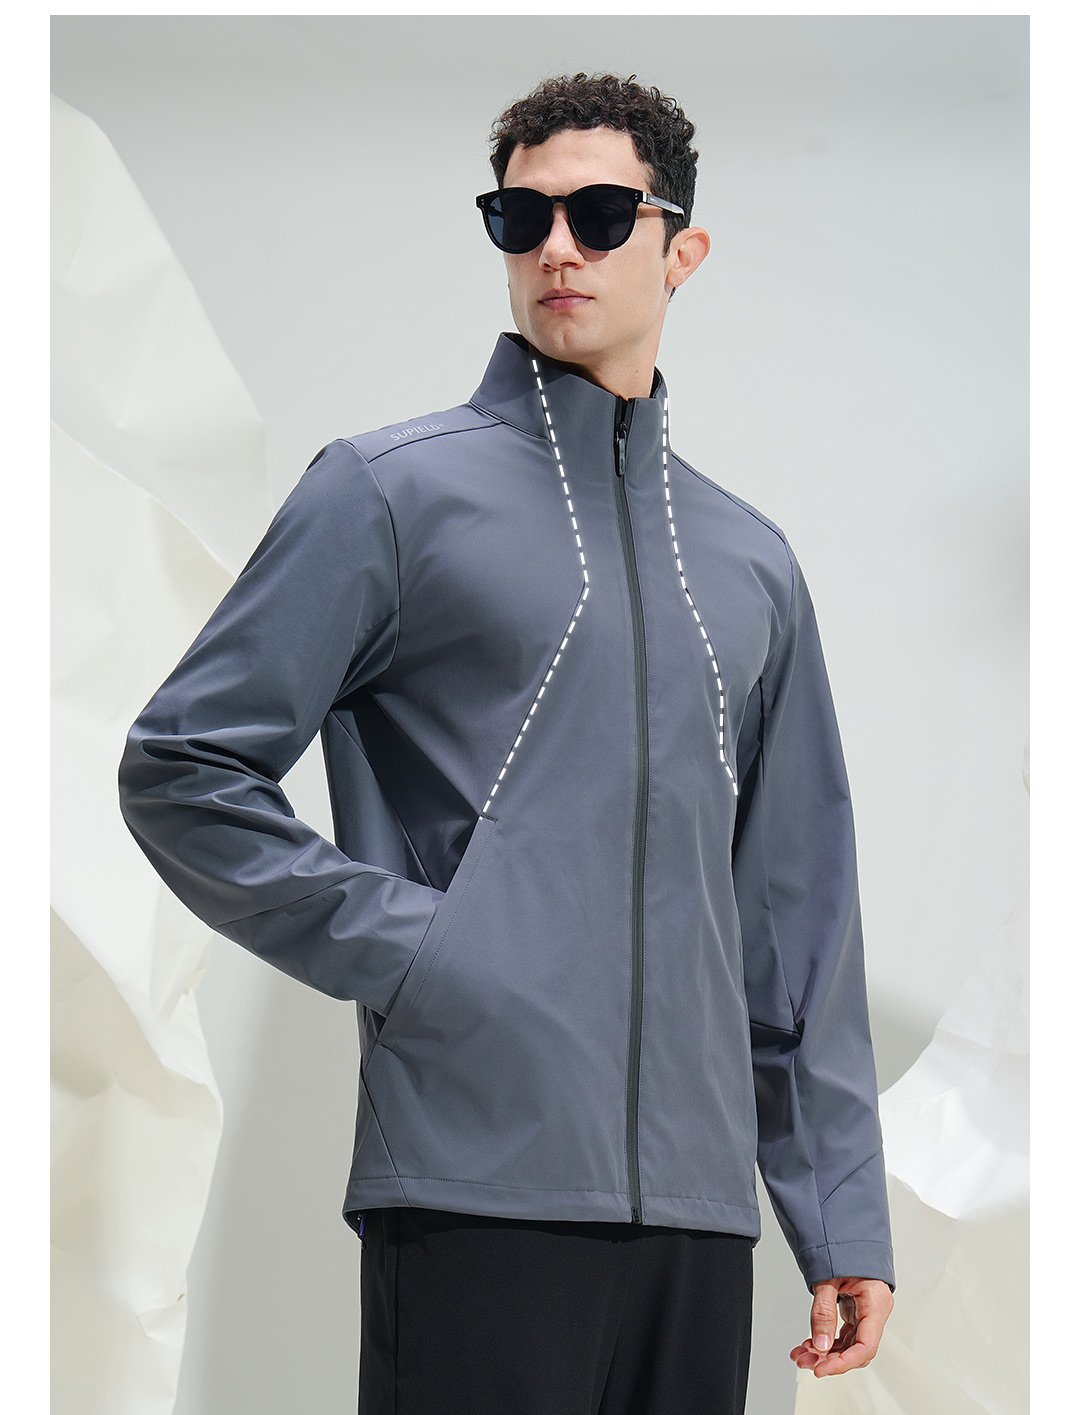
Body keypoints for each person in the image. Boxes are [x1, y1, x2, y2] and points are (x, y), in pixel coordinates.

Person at [118, 72, 895, 1414]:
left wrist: (838, 1211)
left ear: (680, 248)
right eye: (521, 218)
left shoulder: (751, 564)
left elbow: (795, 912)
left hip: (698, 1214)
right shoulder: (390, 493)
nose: (556, 249)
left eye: (598, 215)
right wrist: (428, 952)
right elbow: (183, 767)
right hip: (476, 1176)